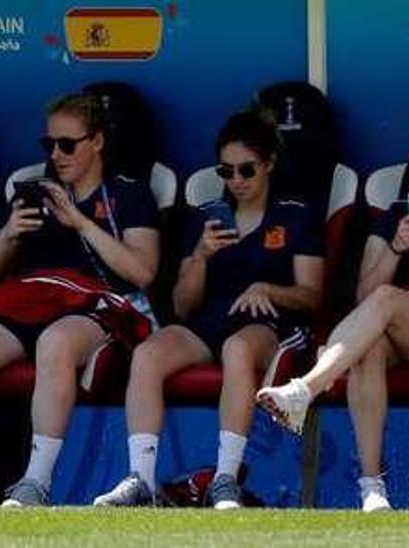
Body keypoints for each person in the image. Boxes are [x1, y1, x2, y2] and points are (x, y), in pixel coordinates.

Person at [0, 92, 159, 506]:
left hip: (94, 305)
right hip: (28, 298)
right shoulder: (35, 192)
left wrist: (79, 223)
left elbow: (142, 272)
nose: (56, 155)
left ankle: (34, 481)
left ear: (97, 142)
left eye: (67, 144)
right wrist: (7, 234)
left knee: (54, 343)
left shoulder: (129, 193)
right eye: (49, 145)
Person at [94, 111, 322, 509]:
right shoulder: (206, 215)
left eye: (246, 170)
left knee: (238, 349)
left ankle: (224, 479)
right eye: (226, 171)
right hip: (208, 322)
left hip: (268, 325)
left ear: (268, 164)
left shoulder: (295, 213)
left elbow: (312, 296)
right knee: (148, 353)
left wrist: (268, 289)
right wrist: (200, 256)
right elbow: (183, 306)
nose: (236, 181)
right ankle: (141, 479)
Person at [257, 175, 409, 513]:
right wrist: (396, 249)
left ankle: (306, 388)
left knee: (387, 299)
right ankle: (372, 487)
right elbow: (365, 297)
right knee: (368, 347)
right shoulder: (396, 216)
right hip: (402, 329)